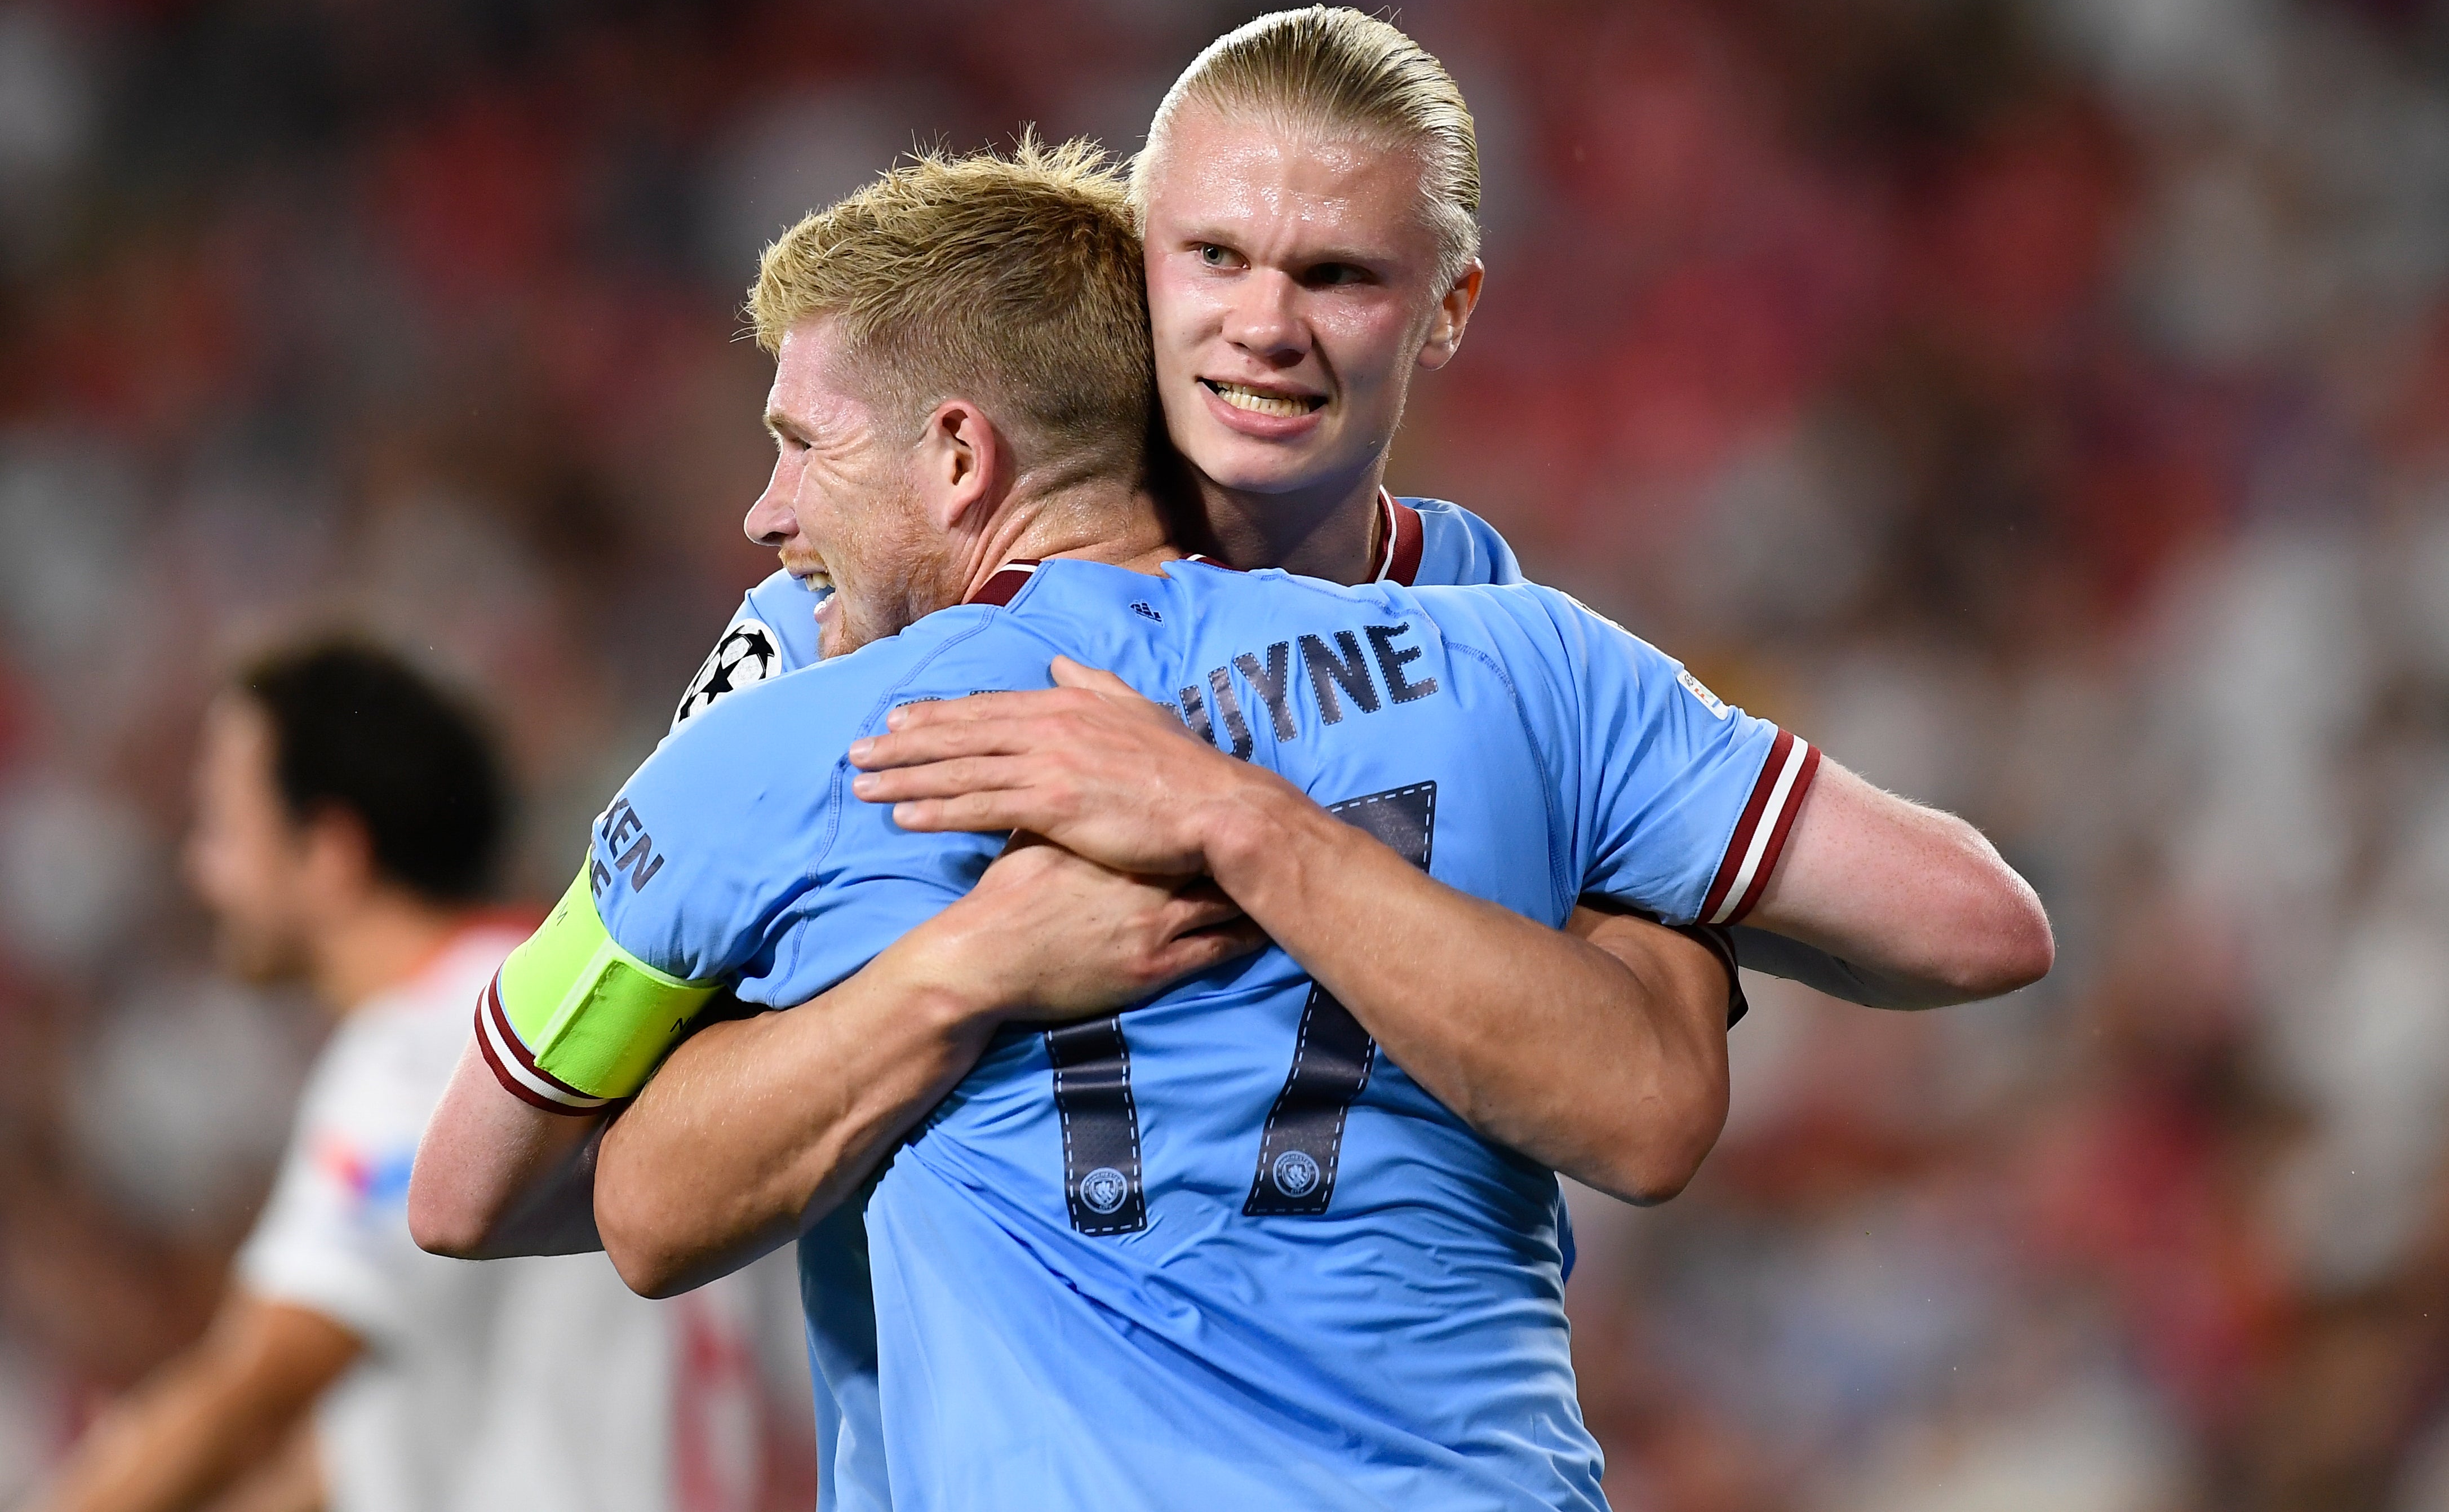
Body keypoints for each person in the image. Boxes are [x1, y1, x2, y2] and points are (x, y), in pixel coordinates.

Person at [410, 140, 2046, 1506]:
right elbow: (1978, 925)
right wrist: (1645, 889)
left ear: (961, 454)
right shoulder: (1513, 657)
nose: (766, 512)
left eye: (797, 445)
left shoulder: (790, 741)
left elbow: (481, 1189)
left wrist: (957, 971)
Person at [32, 641, 810, 1512]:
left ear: (329, 848)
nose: (197, 871)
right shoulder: (568, 1008)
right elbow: (375, 1447)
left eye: (220, 824)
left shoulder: (428, 1047)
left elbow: (254, 1388)